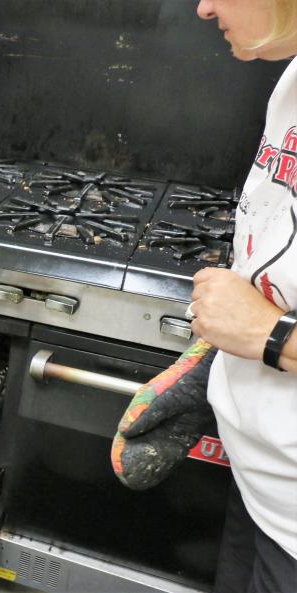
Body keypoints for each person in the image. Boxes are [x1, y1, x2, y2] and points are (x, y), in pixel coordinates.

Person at [190, 1, 297, 591]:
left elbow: (270, 324)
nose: (203, 7)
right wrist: (216, 364)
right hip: (263, 487)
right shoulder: (291, 80)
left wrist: (271, 337)